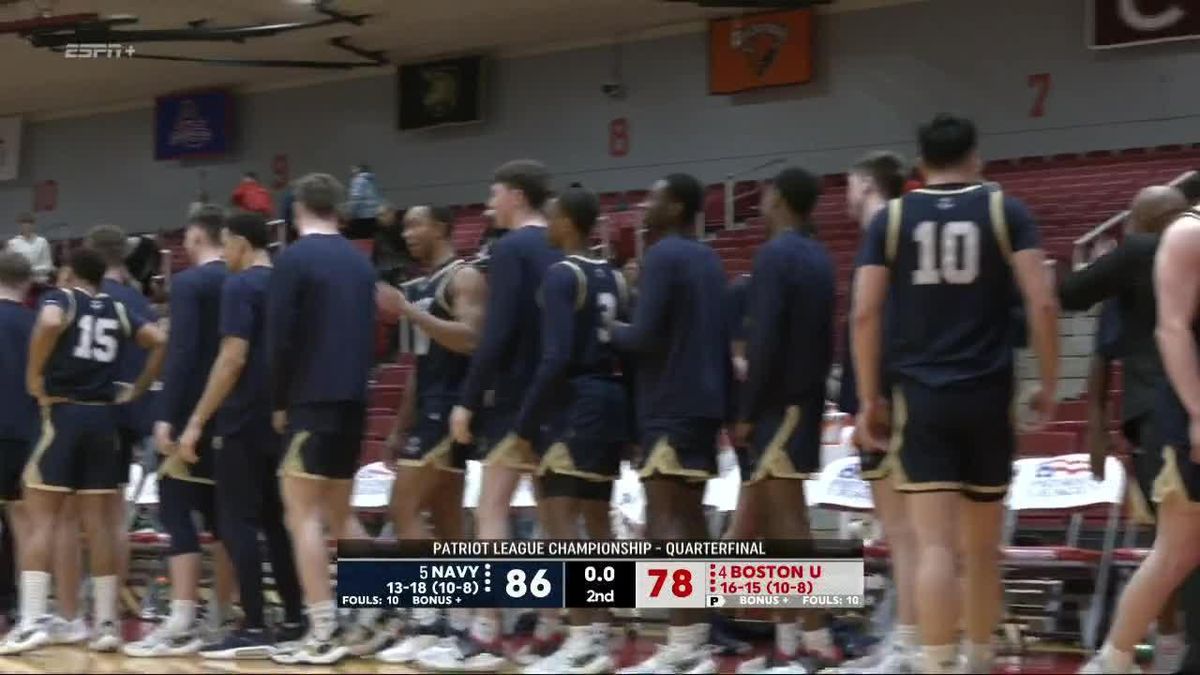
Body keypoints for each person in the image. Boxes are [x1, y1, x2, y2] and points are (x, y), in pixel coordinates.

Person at [852, 114, 1059, 674]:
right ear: (976, 157)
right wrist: (1048, 382)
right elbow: (1042, 301)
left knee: (935, 546)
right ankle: (980, 659)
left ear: (919, 163)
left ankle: (936, 662)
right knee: (982, 548)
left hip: (922, 397)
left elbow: (865, 312)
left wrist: (870, 397)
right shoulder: (1005, 210)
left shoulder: (893, 217)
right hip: (988, 395)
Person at [423, 160, 561, 674]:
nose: (487, 205)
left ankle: (485, 630)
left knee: (491, 512)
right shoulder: (562, 244)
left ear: (517, 196)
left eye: (494, 193)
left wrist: (468, 397)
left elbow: (496, 332)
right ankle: (551, 626)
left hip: (514, 398)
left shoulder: (509, 249)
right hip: (559, 398)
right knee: (553, 517)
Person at [0, 247, 165, 654]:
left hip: (65, 415)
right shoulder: (117, 308)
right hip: (104, 420)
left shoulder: (63, 298)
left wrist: (34, 375)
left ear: (70, 273)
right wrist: (139, 388)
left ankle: (32, 621)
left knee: (41, 520)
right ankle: (105, 623)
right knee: (100, 524)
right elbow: (159, 339)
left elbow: (50, 321)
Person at [1058, 186, 1188, 673]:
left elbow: (1069, 296)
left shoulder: (1149, 256)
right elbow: (1102, 352)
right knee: (1172, 546)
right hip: (856, 429)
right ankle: (839, 620)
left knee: (1172, 546)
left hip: (874, 421)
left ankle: (1132, 653)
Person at [609, 173, 731, 675]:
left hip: (669, 400)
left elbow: (643, 336)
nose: (645, 204)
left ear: (677, 206)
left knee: (666, 523)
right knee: (692, 522)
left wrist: (603, 327)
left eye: (654, 197)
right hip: (704, 402)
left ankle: (682, 642)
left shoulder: (663, 255)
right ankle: (696, 640)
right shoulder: (709, 258)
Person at [170, 212, 305, 658]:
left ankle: (253, 624)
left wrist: (196, 420)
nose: (224, 252)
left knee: (237, 522)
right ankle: (294, 617)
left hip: (242, 419)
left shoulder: (239, 285)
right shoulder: (284, 283)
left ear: (242, 244)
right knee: (277, 521)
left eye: (227, 243)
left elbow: (232, 359)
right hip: (281, 418)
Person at [515, 188, 631, 674]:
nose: (548, 225)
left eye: (552, 217)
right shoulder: (616, 276)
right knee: (598, 521)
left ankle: (581, 638)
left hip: (574, 404)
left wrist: (525, 423)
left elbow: (556, 357)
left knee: (560, 523)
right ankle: (604, 627)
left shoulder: (562, 274)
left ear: (567, 222)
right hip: (611, 399)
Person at [267, 173, 379, 665]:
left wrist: (278, 400)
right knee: (340, 512)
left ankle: (323, 629)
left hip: (310, 399)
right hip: (354, 399)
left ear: (296, 209)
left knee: (302, 515)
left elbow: (279, 338)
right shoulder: (360, 262)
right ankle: (375, 612)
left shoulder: (293, 259)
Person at [730, 167, 836, 675]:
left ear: (778, 198)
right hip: (804, 397)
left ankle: (816, 643)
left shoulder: (776, 254)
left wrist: (748, 410)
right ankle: (788, 643)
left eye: (767, 193)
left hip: (779, 403)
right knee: (778, 526)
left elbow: (766, 339)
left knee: (790, 526)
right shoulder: (818, 254)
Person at [373, 205, 485, 664]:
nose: (407, 233)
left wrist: (407, 312)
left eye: (415, 224)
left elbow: (470, 338)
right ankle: (458, 620)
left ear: (442, 227)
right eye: (404, 227)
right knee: (447, 520)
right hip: (428, 407)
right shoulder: (418, 286)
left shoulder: (464, 277)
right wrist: (399, 427)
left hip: (452, 407)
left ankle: (426, 619)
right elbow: (419, 367)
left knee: (403, 508)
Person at [129, 206, 237, 657]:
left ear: (195, 237)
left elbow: (184, 354)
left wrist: (167, 414)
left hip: (193, 415)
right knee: (227, 523)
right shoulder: (246, 278)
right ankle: (224, 617)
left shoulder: (192, 283)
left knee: (177, 515)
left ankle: (181, 620)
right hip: (238, 418)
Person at [825, 151, 919, 674]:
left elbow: (870, 317)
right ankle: (908, 640)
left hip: (886, 396)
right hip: (904, 390)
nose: (846, 195)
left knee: (904, 531)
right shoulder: (906, 228)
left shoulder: (884, 228)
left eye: (849, 184)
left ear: (864, 184)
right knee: (908, 531)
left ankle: (909, 645)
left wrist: (868, 399)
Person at [0, 253, 38, 624]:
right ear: (28, 283)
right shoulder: (39, 322)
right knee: (23, 524)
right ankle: (25, 606)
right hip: (28, 435)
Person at [373, 203, 413, 286]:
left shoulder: (403, 230)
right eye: (378, 216)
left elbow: (407, 252)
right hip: (384, 269)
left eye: (382, 215)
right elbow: (375, 257)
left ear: (392, 214)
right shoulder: (379, 234)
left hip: (401, 268)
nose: (379, 219)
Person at [7, 214, 52, 283]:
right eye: (23, 224)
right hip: (20, 281)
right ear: (19, 226)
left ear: (34, 225)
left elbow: (48, 265)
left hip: (40, 280)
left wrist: (32, 270)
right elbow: (10, 265)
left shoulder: (42, 241)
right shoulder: (12, 243)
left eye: (29, 224)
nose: (27, 227)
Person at [346, 164, 382, 240]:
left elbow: (356, 198)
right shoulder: (372, 181)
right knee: (372, 238)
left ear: (358, 171)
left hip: (361, 216)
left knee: (361, 239)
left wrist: (350, 213)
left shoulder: (358, 180)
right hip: (374, 215)